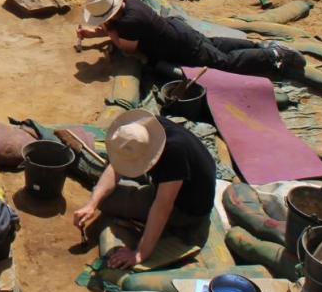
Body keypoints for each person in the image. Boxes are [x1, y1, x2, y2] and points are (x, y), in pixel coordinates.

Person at [72, 109, 215, 270]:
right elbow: (116, 166)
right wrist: (91, 204)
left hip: (186, 210)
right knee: (100, 195)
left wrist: (140, 253)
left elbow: (162, 207)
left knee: (108, 201)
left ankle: (152, 226)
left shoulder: (174, 154)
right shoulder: (150, 129)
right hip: (177, 184)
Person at [76, 0, 304, 80]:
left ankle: (273, 55)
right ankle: (259, 47)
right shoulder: (129, 2)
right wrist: (94, 33)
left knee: (223, 62)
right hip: (179, 30)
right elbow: (118, 28)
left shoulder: (128, 22)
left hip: (179, 46)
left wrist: (108, 31)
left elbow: (127, 48)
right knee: (214, 44)